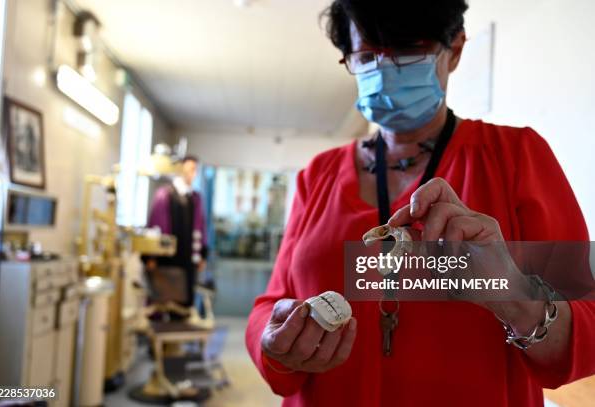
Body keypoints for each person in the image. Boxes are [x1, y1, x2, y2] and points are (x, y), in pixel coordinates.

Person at [245, 1, 595, 406]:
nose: (385, 69)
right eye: (366, 56)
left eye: (409, 52)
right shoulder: (318, 175)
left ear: (456, 49)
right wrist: (274, 342)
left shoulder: (516, 157)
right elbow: (271, 303)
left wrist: (512, 294)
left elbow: (586, 333)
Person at [145, 155, 208, 308]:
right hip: (167, 259)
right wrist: (150, 257)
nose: (193, 173)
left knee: (185, 300)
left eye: (195, 170)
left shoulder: (195, 197)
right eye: (190, 169)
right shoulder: (165, 195)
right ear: (180, 169)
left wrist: (202, 255)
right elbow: (155, 225)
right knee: (164, 300)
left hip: (188, 258)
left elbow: (201, 227)